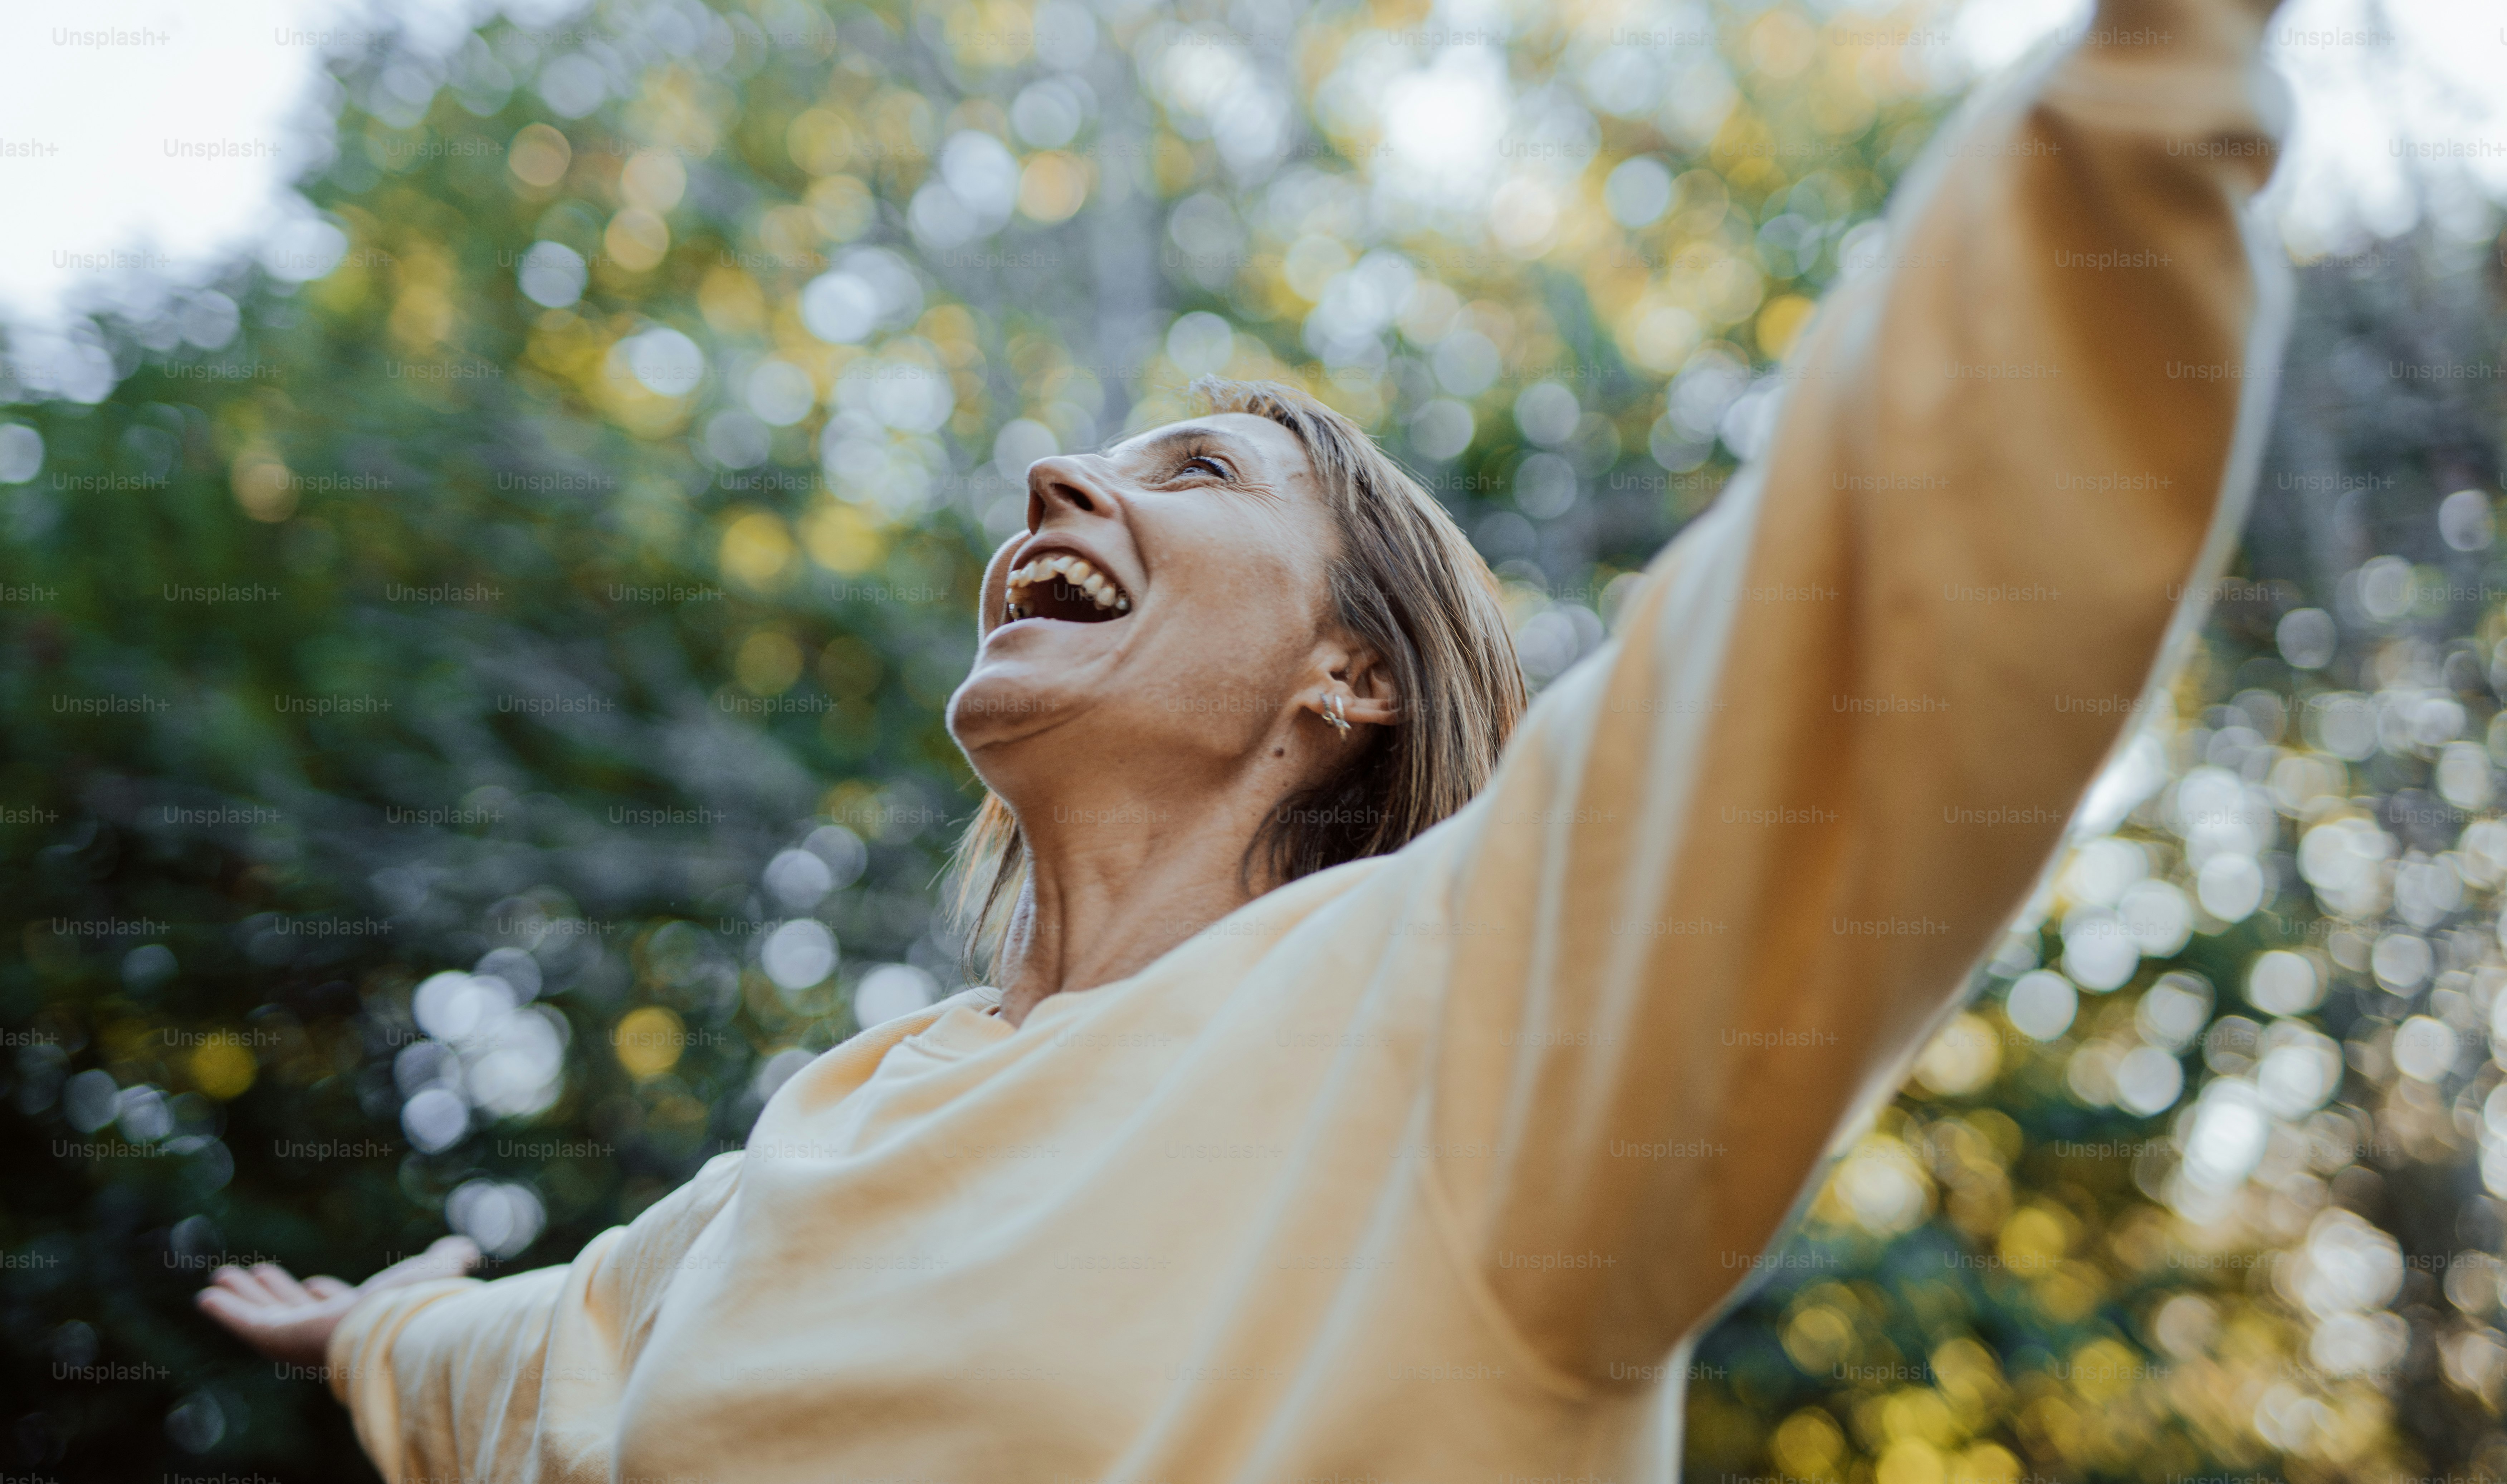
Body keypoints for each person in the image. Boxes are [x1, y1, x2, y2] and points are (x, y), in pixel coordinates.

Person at [200, 0, 2292, 1476]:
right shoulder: (820, 1138)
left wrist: (2150, 78)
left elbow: (1861, 625)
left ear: (1349, 677)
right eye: (1086, 455)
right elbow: (549, 1355)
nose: (1049, 479)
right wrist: (366, 1327)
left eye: (1190, 470)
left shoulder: (1471, 1020)